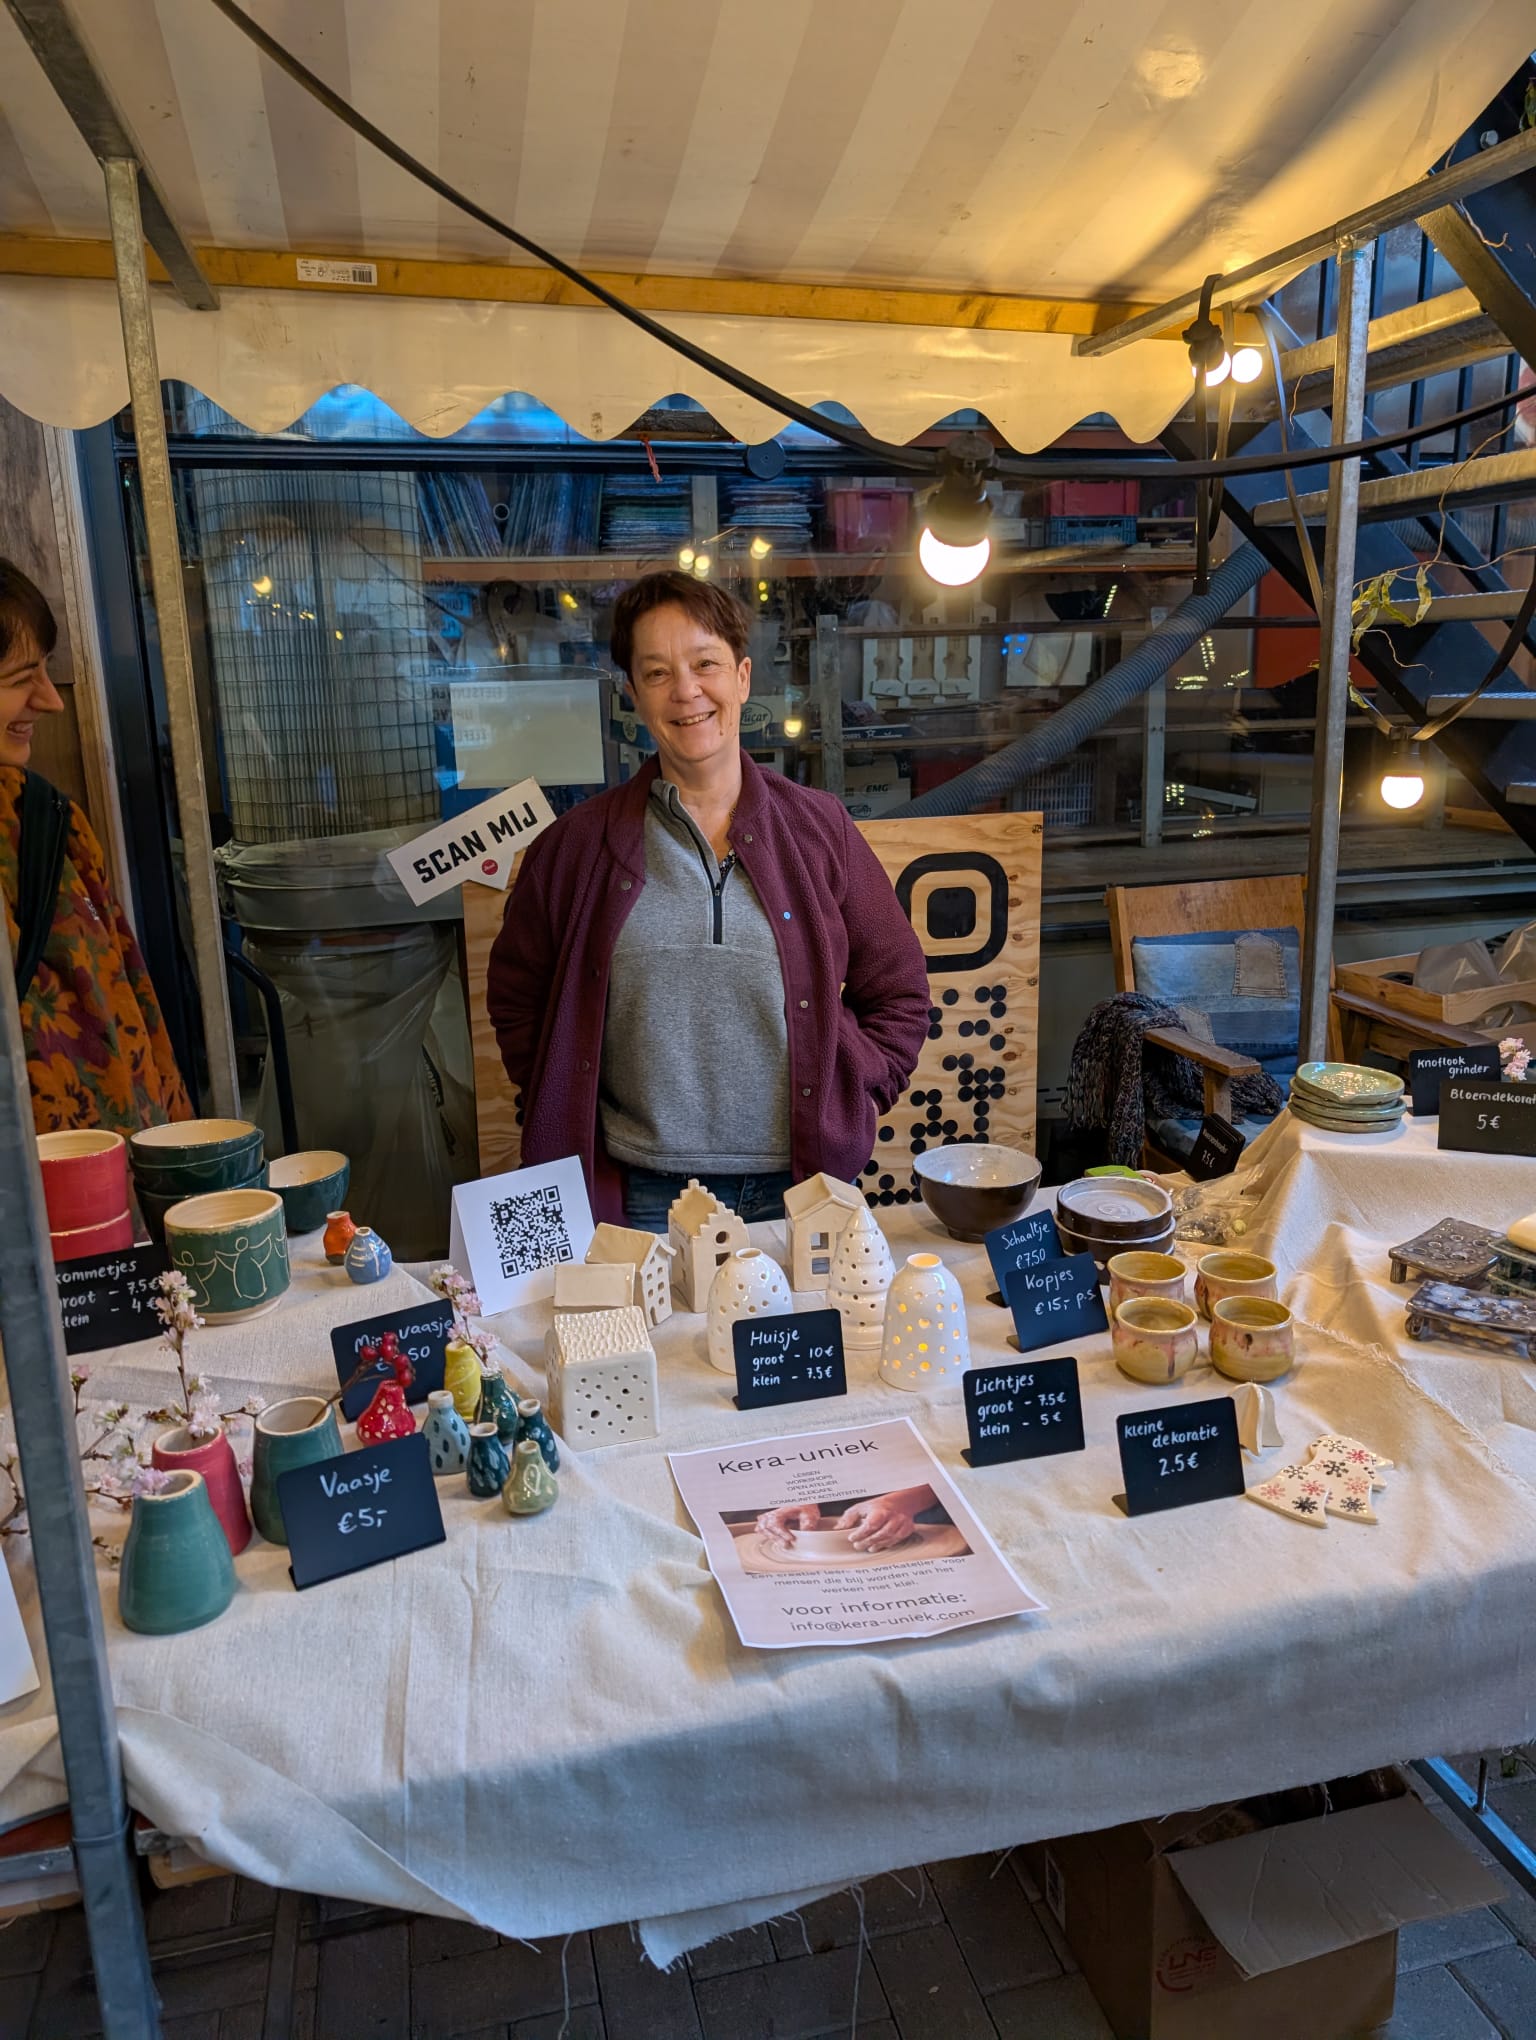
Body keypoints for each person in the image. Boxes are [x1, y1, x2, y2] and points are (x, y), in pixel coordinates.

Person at [487, 571, 929, 1229]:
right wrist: (563, 1097)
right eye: (657, 673)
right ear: (634, 695)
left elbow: (900, 992)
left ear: (743, 678)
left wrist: (857, 1088)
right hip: (636, 1195)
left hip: (802, 1186)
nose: (686, 691)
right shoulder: (574, 848)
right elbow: (517, 999)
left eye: (705, 664)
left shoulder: (819, 828)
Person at [0, 560, 190, 1132]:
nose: (51, 700)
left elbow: (132, 998)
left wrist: (174, 1142)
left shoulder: (47, 818)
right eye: (20, 678)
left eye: (46, 670)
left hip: (106, 1155)